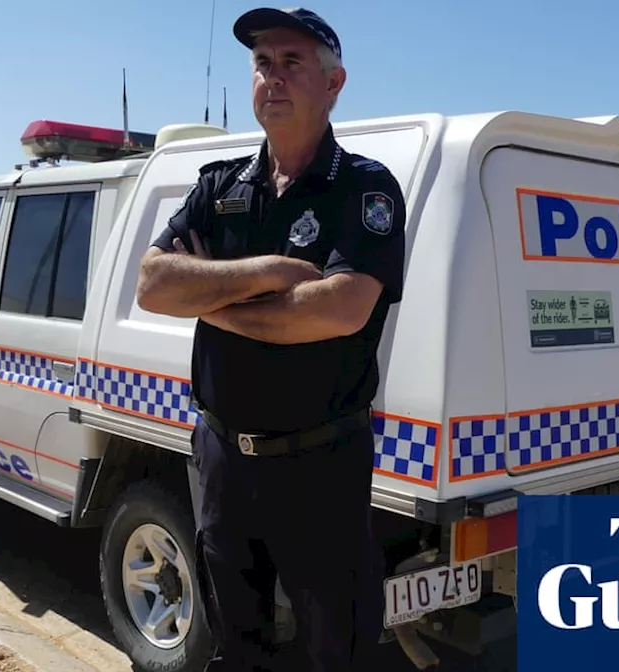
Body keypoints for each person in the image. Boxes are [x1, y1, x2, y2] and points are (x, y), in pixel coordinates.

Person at [134, 6, 407, 671]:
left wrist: (212, 296)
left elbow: (338, 309)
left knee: (333, 649)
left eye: (292, 63)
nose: (272, 78)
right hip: (224, 455)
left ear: (334, 82)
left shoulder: (365, 189)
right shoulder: (221, 186)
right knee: (236, 645)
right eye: (262, 64)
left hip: (320, 464)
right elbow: (152, 284)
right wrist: (263, 274)